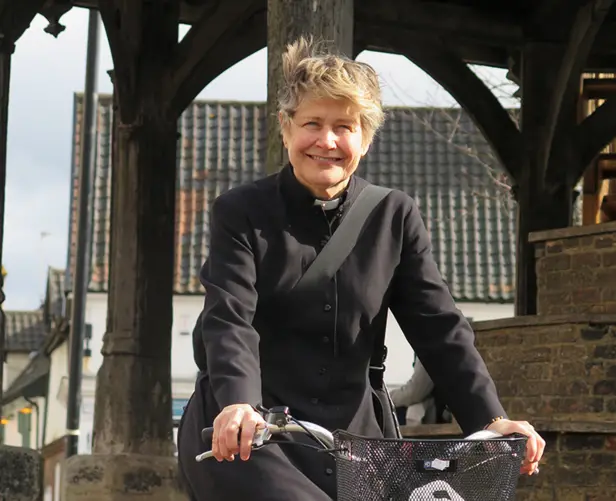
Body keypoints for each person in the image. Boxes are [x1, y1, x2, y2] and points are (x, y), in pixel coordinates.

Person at [177, 35, 545, 501]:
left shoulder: (394, 215)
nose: (327, 141)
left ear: (365, 138)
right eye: (312, 123)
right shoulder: (240, 211)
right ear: (286, 129)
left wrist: (492, 421)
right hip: (253, 432)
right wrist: (237, 404)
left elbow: (439, 328)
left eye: (344, 127)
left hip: (355, 443)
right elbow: (229, 319)